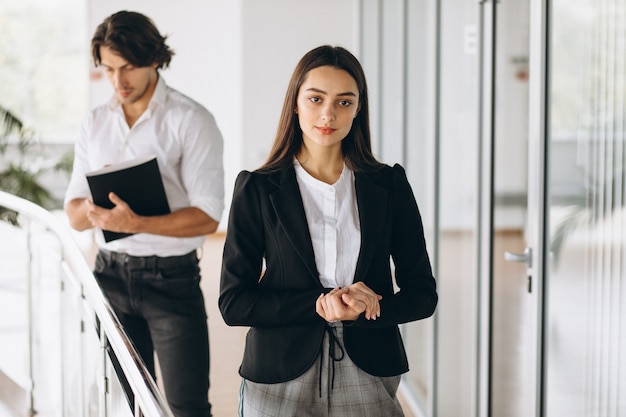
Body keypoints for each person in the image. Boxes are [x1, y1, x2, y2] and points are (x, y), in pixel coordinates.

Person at [219, 45, 438, 417]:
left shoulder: (389, 185)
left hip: (369, 369)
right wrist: (318, 305)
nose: (328, 114)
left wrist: (371, 308)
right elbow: (233, 303)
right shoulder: (256, 188)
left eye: (344, 102)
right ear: (295, 104)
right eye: (316, 98)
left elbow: (422, 295)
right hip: (278, 375)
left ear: (358, 109)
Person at [64, 10, 223, 417]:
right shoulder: (94, 123)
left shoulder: (192, 120)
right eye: (109, 69)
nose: (118, 81)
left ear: (155, 58)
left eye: (129, 67)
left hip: (171, 280)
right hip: (109, 276)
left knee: (188, 406)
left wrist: (136, 223)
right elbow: (74, 213)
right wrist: (93, 212)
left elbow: (208, 216)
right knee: (126, 403)